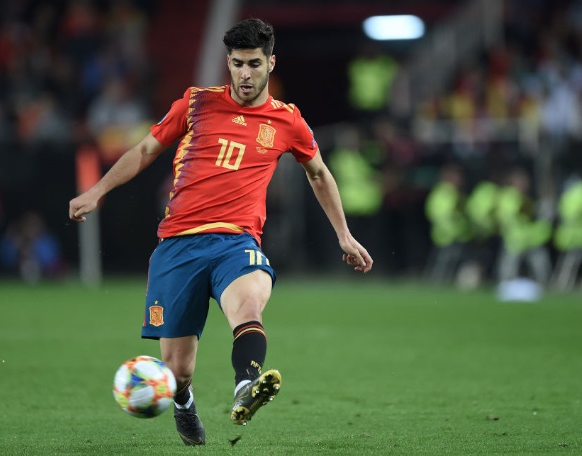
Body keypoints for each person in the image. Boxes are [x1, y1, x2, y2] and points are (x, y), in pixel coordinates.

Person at [68, 18, 373, 446]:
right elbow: (145, 149)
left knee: (248, 306)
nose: (245, 74)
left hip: (236, 241)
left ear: (270, 63)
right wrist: (98, 190)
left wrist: (343, 234)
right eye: (237, 64)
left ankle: (246, 386)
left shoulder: (287, 121)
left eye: (253, 64)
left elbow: (319, 173)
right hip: (178, 245)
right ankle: (183, 402)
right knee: (177, 371)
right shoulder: (196, 103)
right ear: (228, 63)